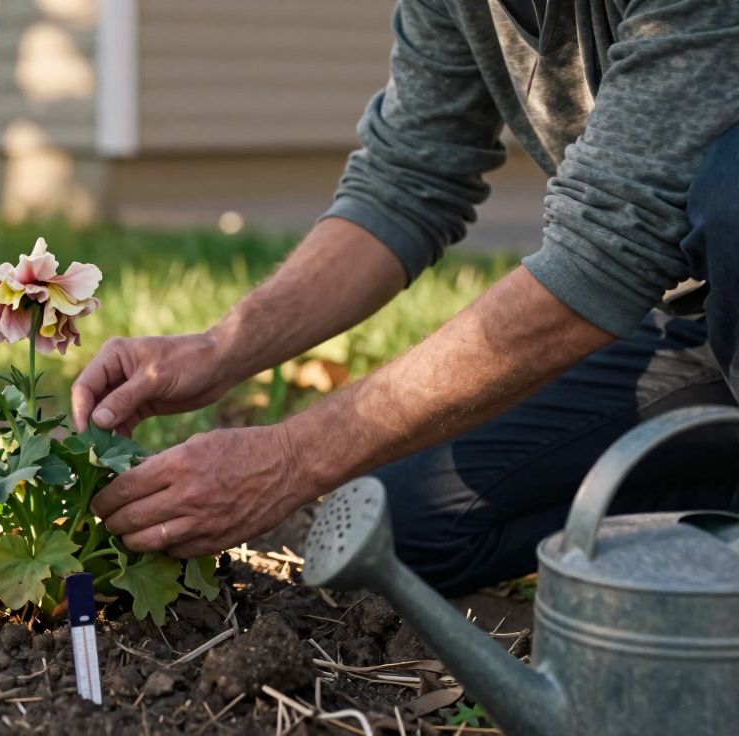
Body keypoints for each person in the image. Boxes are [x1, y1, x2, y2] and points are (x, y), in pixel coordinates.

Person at [71, 0, 739, 595]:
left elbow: (604, 254)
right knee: (405, 531)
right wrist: (220, 349)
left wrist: (293, 457)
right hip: (703, 323)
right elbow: (408, 178)